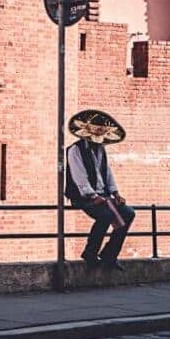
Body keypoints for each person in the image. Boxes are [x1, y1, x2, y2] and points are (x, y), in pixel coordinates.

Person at [65, 109, 135, 271]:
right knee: (106, 215)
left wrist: (115, 193)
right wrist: (92, 195)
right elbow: (78, 175)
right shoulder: (75, 150)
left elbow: (107, 172)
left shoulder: (101, 149)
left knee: (129, 213)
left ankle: (109, 255)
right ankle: (90, 253)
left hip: (103, 195)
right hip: (82, 196)